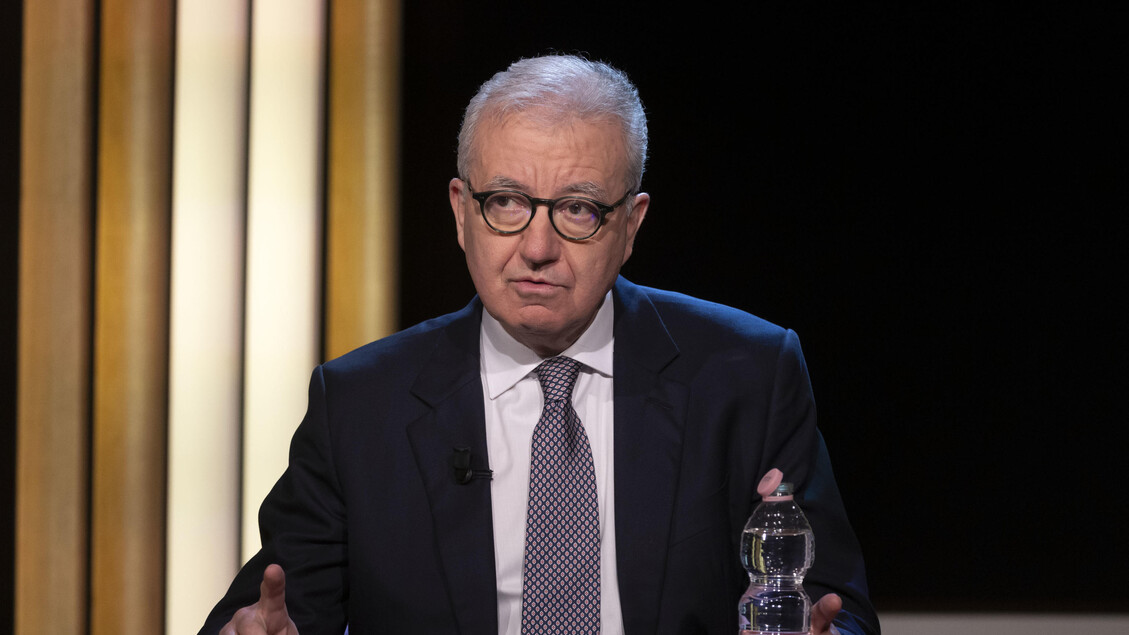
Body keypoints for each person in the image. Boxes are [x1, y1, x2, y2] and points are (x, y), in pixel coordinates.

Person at [202, 54, 879, 635]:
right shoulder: (360, 405)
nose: (536, 247)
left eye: (577, 209)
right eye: (506, 202)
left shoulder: (746, 376)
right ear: (461, 212)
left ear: (630, 224)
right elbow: (266, 613)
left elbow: (834, 605)